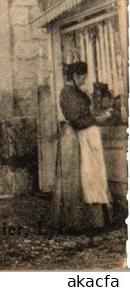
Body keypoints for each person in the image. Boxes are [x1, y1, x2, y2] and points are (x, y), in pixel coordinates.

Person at [50, 61, 112, 235]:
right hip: (75, 138)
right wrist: (97, 119)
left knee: (92, 176)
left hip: (85, 136)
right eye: (82, 77)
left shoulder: (76, 92)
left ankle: (95, 220)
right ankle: (78, 222)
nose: (84, 80)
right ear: (75, 76)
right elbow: (76, 119)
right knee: (82, 178)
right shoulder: (67, 94)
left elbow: (84, 115)